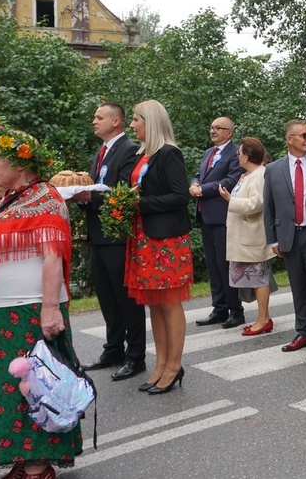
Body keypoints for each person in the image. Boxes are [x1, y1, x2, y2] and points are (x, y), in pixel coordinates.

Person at [0, 121, 81, 478]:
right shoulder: (3, 203)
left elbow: (54, 256)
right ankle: (20, 459)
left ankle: (38, 467)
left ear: (20, 163)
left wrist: (50, 308)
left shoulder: (46, 197)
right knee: (5, 388)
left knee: (34, 386)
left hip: (29, 310)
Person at [75, 103, 147, 382]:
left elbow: (124, 194)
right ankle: (114, 349)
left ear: (116, 121)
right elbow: (98, 188)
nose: (94, 121)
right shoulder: (102, 151)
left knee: (126, 299)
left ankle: (135, 355)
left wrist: (88, 197)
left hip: (116, 237)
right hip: (98, 235)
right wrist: (82, 197)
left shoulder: (128, 149)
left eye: (99, 117)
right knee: (107, 297)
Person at [127, 100, 193, 395]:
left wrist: (140, 204)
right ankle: (160, 364)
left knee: (169, 302)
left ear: (150, 122)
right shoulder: (144, 155)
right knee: (153, 302)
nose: (132, 125)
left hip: (166, 240)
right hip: (144, 237)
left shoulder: (169, 154)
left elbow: (180, 197)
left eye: (136, 120)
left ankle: (174, 366)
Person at [264, 120, 306, 354]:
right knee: (298, 285)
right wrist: (273, 239)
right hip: (288, 236)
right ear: (289, 139)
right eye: (303, 135)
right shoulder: (273, 170)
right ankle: (304, 332)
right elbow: (268, 207)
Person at [190, 117, 245, 328]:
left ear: (229, 132)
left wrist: (203, 189)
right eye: (211, 127)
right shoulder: (208, 153)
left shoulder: (235, 152)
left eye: (217, 128)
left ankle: (235, 310)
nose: (212, 131)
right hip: (206, 216)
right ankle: (219, 308)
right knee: (213, 265)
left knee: (226, 264)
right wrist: (195, 183)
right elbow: (198, 175)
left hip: (224, 217)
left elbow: (231, 181)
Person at [218, 137, 276, 336]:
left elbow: (256, 204)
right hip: (244, 236)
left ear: (247, 155)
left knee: (259, 279)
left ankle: (263, 319)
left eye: (239, 153)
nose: (237, 156)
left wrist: (229, 200)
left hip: (253, 236)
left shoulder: (259, 174)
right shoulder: (248, 175)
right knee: (256, 279)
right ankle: (263, 317)